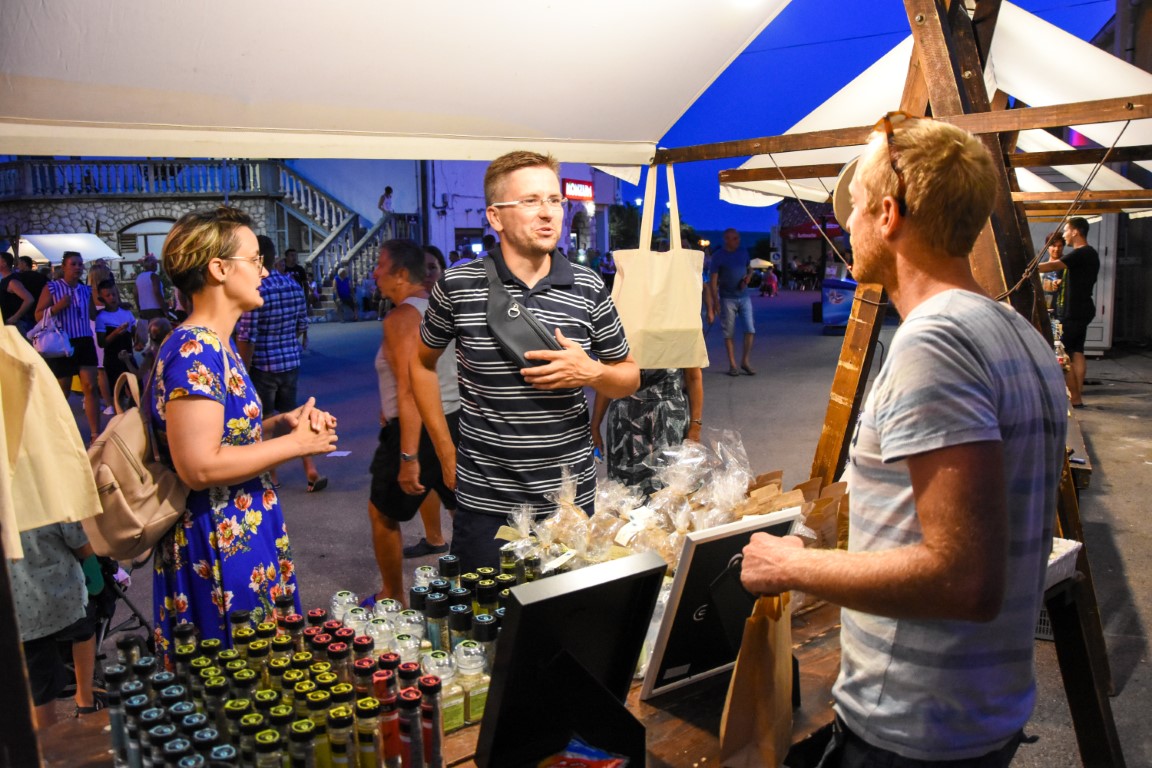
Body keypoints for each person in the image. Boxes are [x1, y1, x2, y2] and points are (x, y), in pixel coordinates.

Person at [740, 117, 1067, 766]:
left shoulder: (935, 342)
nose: (847, 227)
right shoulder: (1015, 330)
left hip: (914, 725)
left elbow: (964, 579)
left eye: (857, 209)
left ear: (888, 215)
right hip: (980, 709)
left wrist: (791, 566)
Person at [413, 150, 639, 572]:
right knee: (486, 610)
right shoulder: (458, 285)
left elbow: (629, 375)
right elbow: (421, 364)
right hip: (485, 502)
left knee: (566, 611)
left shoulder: (589, 286)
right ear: (495, 217)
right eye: (531, 201)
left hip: (569, 502)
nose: (548, 213)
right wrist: (444, 449)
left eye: (554, 200)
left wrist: (592, 372)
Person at [148, 207, 338, 657]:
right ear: (218, 268)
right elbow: (198, 466)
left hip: (238, 529)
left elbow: (221, 435)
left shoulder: (217, 343)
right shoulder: (195, 350)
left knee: (259, 667)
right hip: (216, 541)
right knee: (237, 673)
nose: (264, 271)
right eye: (254, 260)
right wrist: (295, 445)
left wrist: (279, 424)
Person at [365, 240, 461, 604]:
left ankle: (392, 594)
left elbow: (410, 390)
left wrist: (408, 457)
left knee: (382, 513)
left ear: (401, 274)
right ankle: (481, 586)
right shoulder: (438, 308)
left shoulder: (402, 317)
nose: (375, 272)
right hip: (453, 421)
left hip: (418, 429)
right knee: (463, 510)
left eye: (380, 264)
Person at [236, 235, 329, 493]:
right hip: (290, 362)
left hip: (263, 365)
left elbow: (247, 336)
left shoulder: (256, 289)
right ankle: (310, 469)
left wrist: (242, 370)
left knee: (265, 422)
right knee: (293, 417)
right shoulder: (292, 285)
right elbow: (302, 324)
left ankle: (272, 476)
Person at [8, 522, 104, 726]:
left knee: (39, 688)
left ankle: (47, 733)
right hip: (65, 600)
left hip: (22, 615)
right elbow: (82, 545)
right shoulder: (48, 506)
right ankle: (85, 698)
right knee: (84, 632)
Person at [590, 367, 703, 496]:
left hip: (669, 419)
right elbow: (607, 381)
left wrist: (695, 427)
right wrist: (595, 426)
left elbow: (694, 377)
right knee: (625, 494)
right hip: (626, 422)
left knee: (671, 491)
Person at [33, 251, 103, 443]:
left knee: (91, 386)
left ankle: (95, 434)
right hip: (62, 341)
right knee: (62, 389)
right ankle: (55, 432)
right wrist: (57, 307)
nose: (78, 267)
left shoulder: (86, 289)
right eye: (73, 264)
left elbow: (92, 314)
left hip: (84, 339)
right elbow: (38, 315)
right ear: (64, 267)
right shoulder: (52, 288)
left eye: (80, 264)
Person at [1039, 216, 1099, 408]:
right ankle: (1077, 393)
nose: (1065, 235)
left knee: (1061, 354)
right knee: (1076, 351)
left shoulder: (1081, 253)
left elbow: (1053, 265)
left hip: (1072, 311)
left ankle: (1075, 398)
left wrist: (1027, 269)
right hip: (1083, 309)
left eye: (1066, 230)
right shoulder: (1091, 253)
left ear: (1075, 231)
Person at [708, 228, 756, 376]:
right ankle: (732, 365)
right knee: (729, 332)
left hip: (744, 296)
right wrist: (715, 302)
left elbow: (750, 269)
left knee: (750, 329)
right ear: (726, 240)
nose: (737, 241)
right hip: (727, 298)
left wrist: (748, 277)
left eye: (738, 238)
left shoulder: (743, 252)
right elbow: (713, 281)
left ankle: (745, 361)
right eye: (734, 238)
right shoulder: (718, 256)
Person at [94, 279, 138, 398]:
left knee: (137, 390)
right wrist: (116, 332)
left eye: (114, 294)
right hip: (112, 361)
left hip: (129, 357)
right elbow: (102, 343)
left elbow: (134, 333)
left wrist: (138, 341)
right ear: (102, 299)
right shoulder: (102, 317)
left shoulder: (126, 313)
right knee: (118, 394)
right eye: (108, 295)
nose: (112, 298)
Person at [0, 252, 35, 334]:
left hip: (15, 325)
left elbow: (29, 299)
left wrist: (15, 318)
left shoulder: (12, 281)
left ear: (4, 263)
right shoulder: (5, 280)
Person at [134, 253, 168, 320]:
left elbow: (135, 294)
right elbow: (157, 292)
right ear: (152, 265)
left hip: (144, 310)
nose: (156, 266)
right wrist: (164, 309)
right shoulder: (153, 276)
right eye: (156, 264)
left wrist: (139, 308)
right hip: (156, 310)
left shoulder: (139, 277)